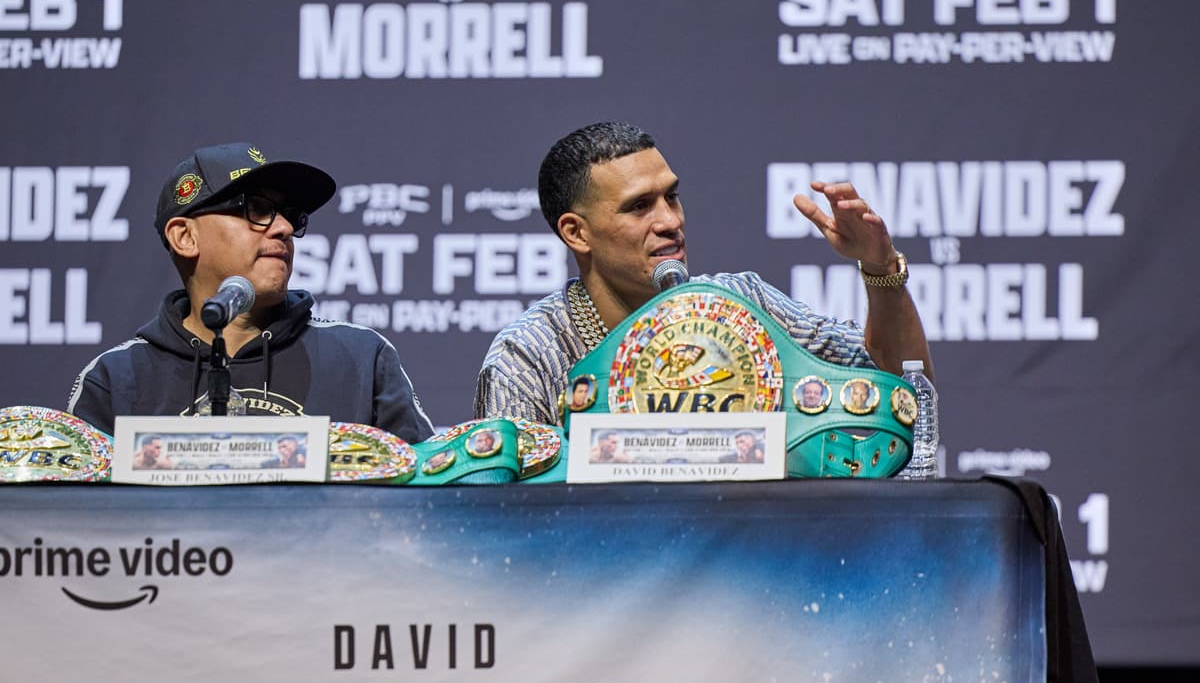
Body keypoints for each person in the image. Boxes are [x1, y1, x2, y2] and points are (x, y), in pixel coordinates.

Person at [473, 121, 933, 424]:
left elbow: (908, 391)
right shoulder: (529, 357)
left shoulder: (746, 304)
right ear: (577, 233)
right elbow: (511, 526)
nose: (671, 221)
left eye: (671, 197)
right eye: (639, 207)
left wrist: (879, 268)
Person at [67, 142, 435, 444]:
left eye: (290, 214)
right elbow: (77, 521)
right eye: (256, 209)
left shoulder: (361, 358)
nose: (285, 228)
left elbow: (426, 499)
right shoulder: (115, 379)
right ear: (185, 236)